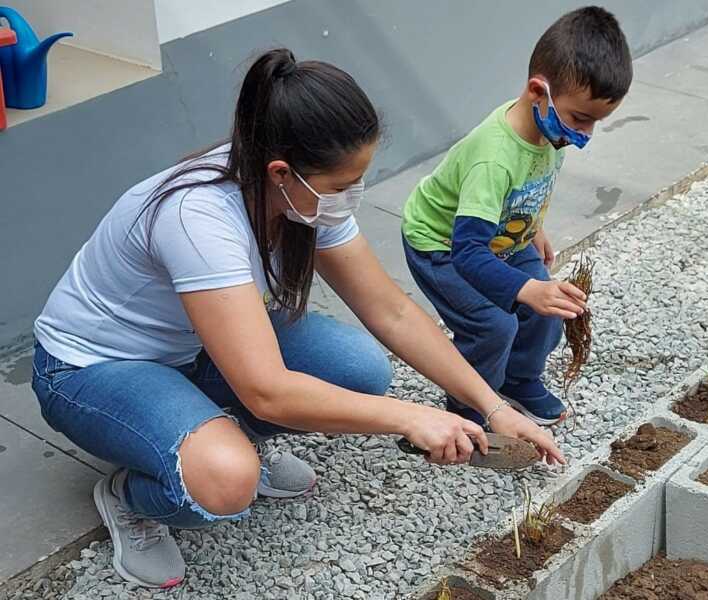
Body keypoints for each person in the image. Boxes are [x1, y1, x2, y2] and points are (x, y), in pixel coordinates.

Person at [30, 48, 564, 589]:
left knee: (358, 368)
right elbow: (267, 391)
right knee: (225, 480)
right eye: (340, 186)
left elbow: (392, 310)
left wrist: (492, 407)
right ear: (281, 172)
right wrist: (410, 417)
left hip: (193, 347)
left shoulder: (299, 197)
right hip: (93, 368)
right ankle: (132, 497)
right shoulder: (198, 218)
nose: (351, 197)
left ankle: (219, 432)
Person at [402, 6, 633, 426]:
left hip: (503, 239)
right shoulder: (494, 159)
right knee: (492, 326)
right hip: (442, 244)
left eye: (597, 122)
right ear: (537, 92)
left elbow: (527, 184)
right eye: (581, 118)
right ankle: (467, 410)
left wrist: (534, 227)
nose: (585, 133)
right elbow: (467, 253)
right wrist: (526, 289)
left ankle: (517, 380)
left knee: (549, 308)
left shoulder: (549, 131)